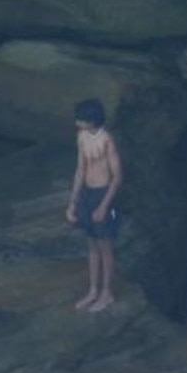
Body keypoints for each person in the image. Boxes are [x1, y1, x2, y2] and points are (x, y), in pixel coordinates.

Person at [65, 98, 123, 312]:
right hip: (88, 193)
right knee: (91, 243)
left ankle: (106, 293)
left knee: (104, 246)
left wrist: (104, 207)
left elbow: (117, 177)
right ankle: (93, 290)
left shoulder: (107, 140)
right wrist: (73, 201)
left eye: (80, 120)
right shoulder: (81, 137)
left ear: (91, 120)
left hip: (103, 193)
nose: (76, 123)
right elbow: (80, 169)